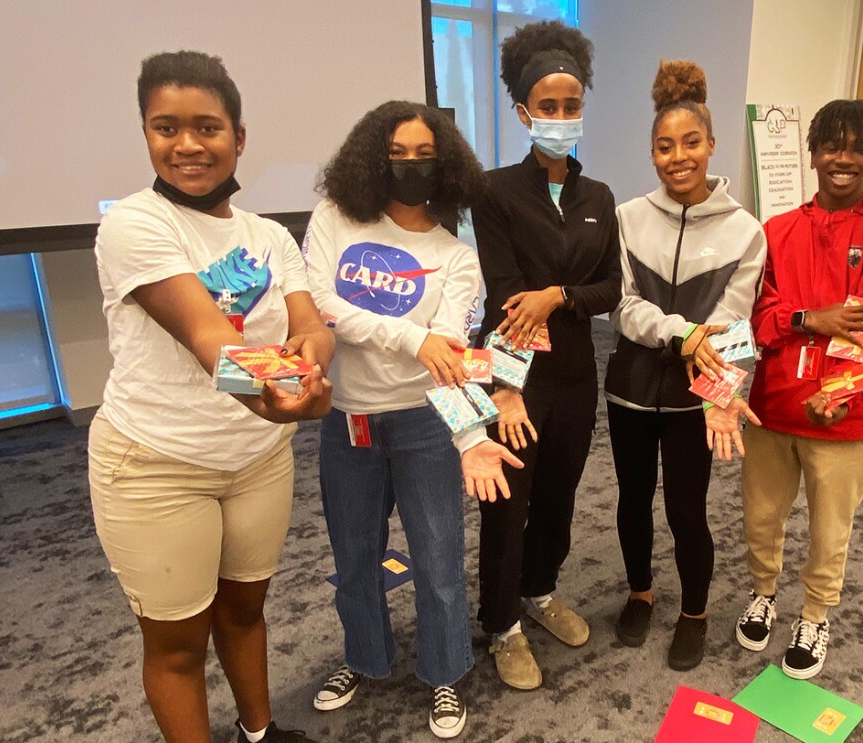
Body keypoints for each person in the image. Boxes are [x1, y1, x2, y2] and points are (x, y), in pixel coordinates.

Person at [88, 51, 332, 743]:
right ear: (145, 133)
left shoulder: (269, 235)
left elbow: (309, 323)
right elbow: (207, 338)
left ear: (238, 137)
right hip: (157, 466)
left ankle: (260, 733)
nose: (188, 144)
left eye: (207, 126)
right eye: (166, 127)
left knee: (246, 611)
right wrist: (272, 397)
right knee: (178, 646)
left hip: (257, 461)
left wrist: (312, 364)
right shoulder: (133, 225)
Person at [302, 101, 522, 739]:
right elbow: (322, 306)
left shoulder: (456, 256)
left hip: (425, 424)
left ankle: (446, 672)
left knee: (437, 559)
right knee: (355, 557)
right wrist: (410, 337)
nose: (410, 166)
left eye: (423, 155)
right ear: (372, 160)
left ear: (445, 164)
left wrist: (470, 436)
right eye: (397, 155)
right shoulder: (334, 220)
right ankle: (364, 659)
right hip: (349, 423)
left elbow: (448, 351)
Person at [734, 99, 863, 679]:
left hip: (845, 415)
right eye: (831, 146)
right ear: (813, 155)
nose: (844, 158)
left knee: (828, 526)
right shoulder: (778, 230)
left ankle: (815, 613)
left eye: (857, 147)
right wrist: (808, 318)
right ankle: (763, 592)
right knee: (761, 516)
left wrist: (837, 394)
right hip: (774, 405)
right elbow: (761, 315)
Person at [471, 19, 622, 690]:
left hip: (574, 375)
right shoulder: (495, 192)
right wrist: (546, 299)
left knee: (559, 494)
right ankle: (500, 622)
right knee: (509, 502)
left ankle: (540, 587)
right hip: (514, 377)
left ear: (583, 106)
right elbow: (506, 296)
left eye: (572, 106)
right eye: (548, 107)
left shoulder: (599, 197)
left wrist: (559, 293)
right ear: (524, 111)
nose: (561, 117)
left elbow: (612, 288)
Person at [604, 60, 766, 671]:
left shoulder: (745, 231)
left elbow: (734, 325)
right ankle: (640, 592)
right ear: (651, 153)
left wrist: (719, 383)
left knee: (686, 509)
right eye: (665, 147)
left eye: (690, 143)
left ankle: (694, 613)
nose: (679, 157)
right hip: (629, 391)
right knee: (632, 499)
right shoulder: (627, 217)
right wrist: (682, 332)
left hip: (697, 400)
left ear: (711, 145)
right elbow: (621, 307)